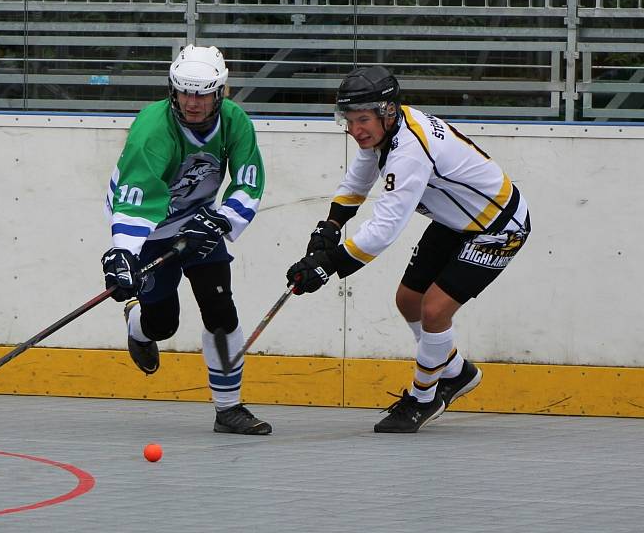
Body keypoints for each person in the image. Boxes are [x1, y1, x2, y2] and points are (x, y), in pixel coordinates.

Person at [286, 65, 531, 434]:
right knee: (408, 300)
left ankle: (424, 397)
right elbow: (357, 181)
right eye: (349, 121)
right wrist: (328, 229)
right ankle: (455, 372)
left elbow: (384, 230)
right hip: (457, 221)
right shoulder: (388, 130)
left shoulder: (410, 151)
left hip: (497, 228)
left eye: (363, 119)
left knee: (433, 311)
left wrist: (327, 265)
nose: (355, 130)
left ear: (386, 111)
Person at [101, 45, 271, 435]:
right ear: (173, 90)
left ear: (220, 92)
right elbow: (135, 199)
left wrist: (222, 221)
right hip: (151, 225)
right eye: (185, 92)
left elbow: (248, 180)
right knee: (164, 323)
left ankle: (229, 409)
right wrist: (123, 255)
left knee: (220, 309)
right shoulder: (153, 128)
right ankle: (138, 325)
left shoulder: (234, 121)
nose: (193, 103)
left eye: (203, 93)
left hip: (200, 220)